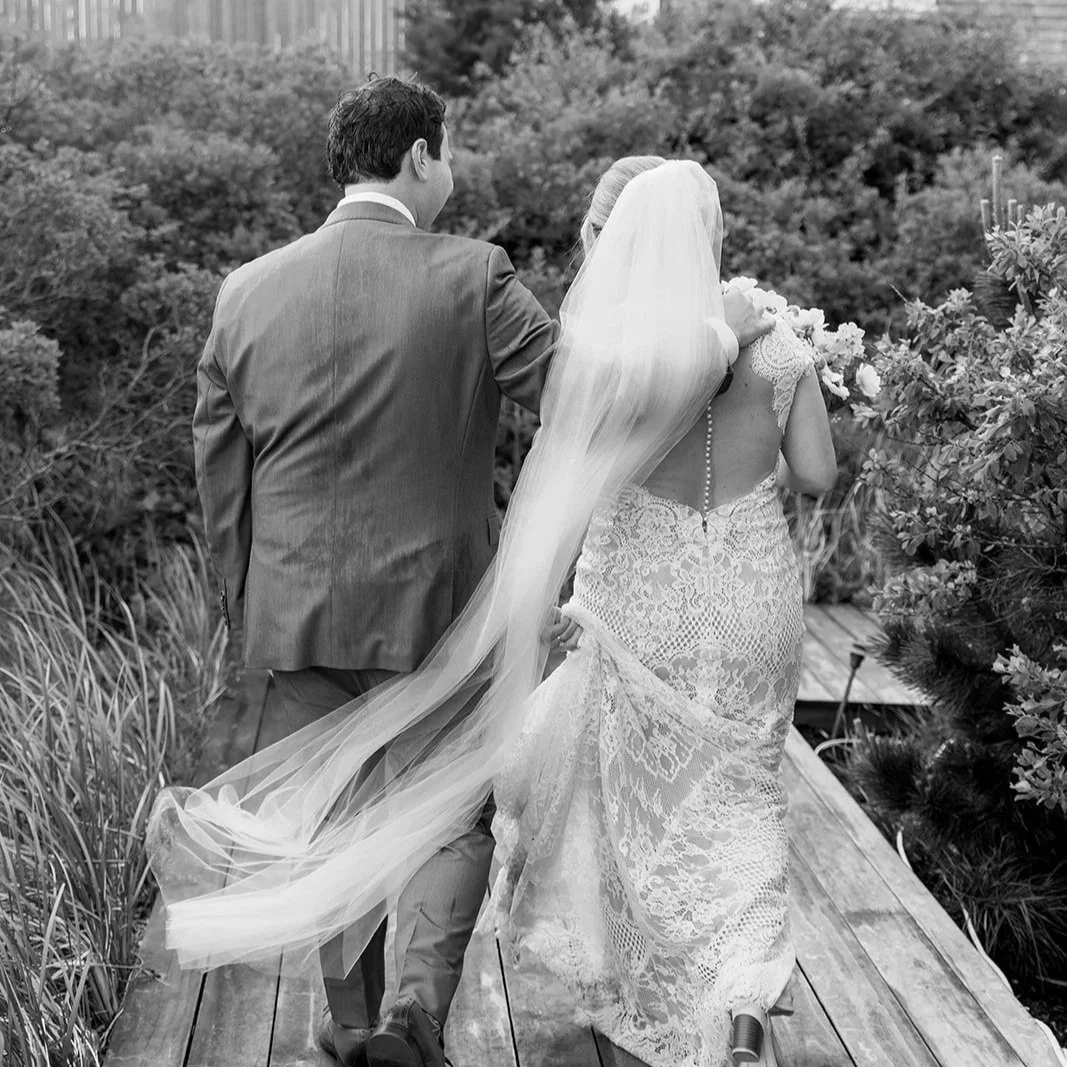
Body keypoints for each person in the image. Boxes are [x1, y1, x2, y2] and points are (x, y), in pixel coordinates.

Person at [147, 147, 786, 1067]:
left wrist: (245, 594)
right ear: (419, 156)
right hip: (437, 598)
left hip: (294, 605)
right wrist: (716, 339)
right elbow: (582, 391)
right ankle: (414, 1016)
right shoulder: (473, 273)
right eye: (444, 153)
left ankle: (352, 1023)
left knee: (335, 811)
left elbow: (221, 457)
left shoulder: (244, 289)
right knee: (450, 814)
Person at [492, 156, 836, 1067]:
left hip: (644, 597)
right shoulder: (781, 348)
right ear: (709, 236)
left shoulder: (616, 364)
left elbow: (573, 488)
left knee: (639, 792)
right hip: (753, 596)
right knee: (748, 786)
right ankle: (744, 993)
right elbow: (817, 476)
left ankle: (647, 975)